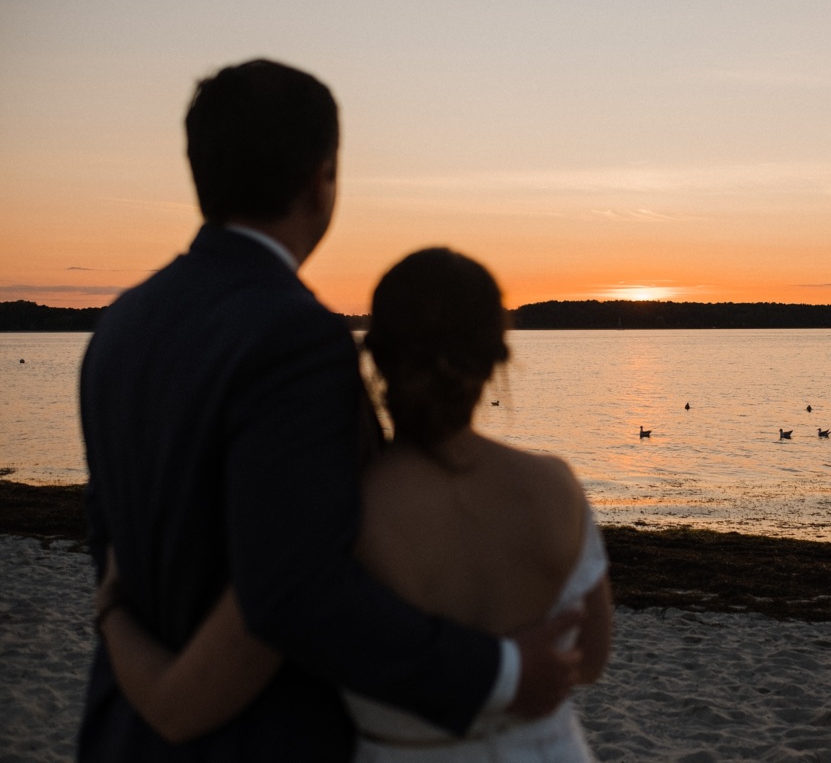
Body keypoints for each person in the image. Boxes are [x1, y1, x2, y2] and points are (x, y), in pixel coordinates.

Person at [79, 59, 580, 761]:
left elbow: (109, 533)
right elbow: (295, 591)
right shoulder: (294, 334)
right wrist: (500, 671)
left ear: (200, 171)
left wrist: (124, 638)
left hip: (120, 733)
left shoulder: (121, 324)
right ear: (323, 178)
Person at [95, 248, 613, 761]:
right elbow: (589, 660)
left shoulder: (346, 508)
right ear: (497, 357)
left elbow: (239, 658)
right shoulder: (555, 486)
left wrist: (113, 605)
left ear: (378, 356)